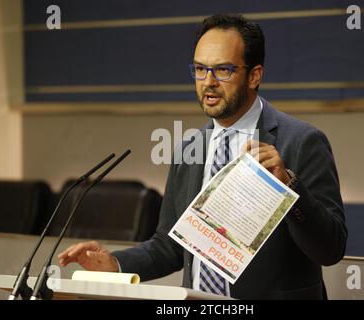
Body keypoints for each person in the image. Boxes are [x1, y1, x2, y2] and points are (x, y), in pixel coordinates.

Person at [58, 14, 347, 300]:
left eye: (223, 70)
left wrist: (290, 186)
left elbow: (331, 249)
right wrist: (116, 265)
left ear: (254, 75)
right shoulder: (188, 149)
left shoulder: (301, 142)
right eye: (200, 69)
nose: (208, 82)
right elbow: (170, 246)